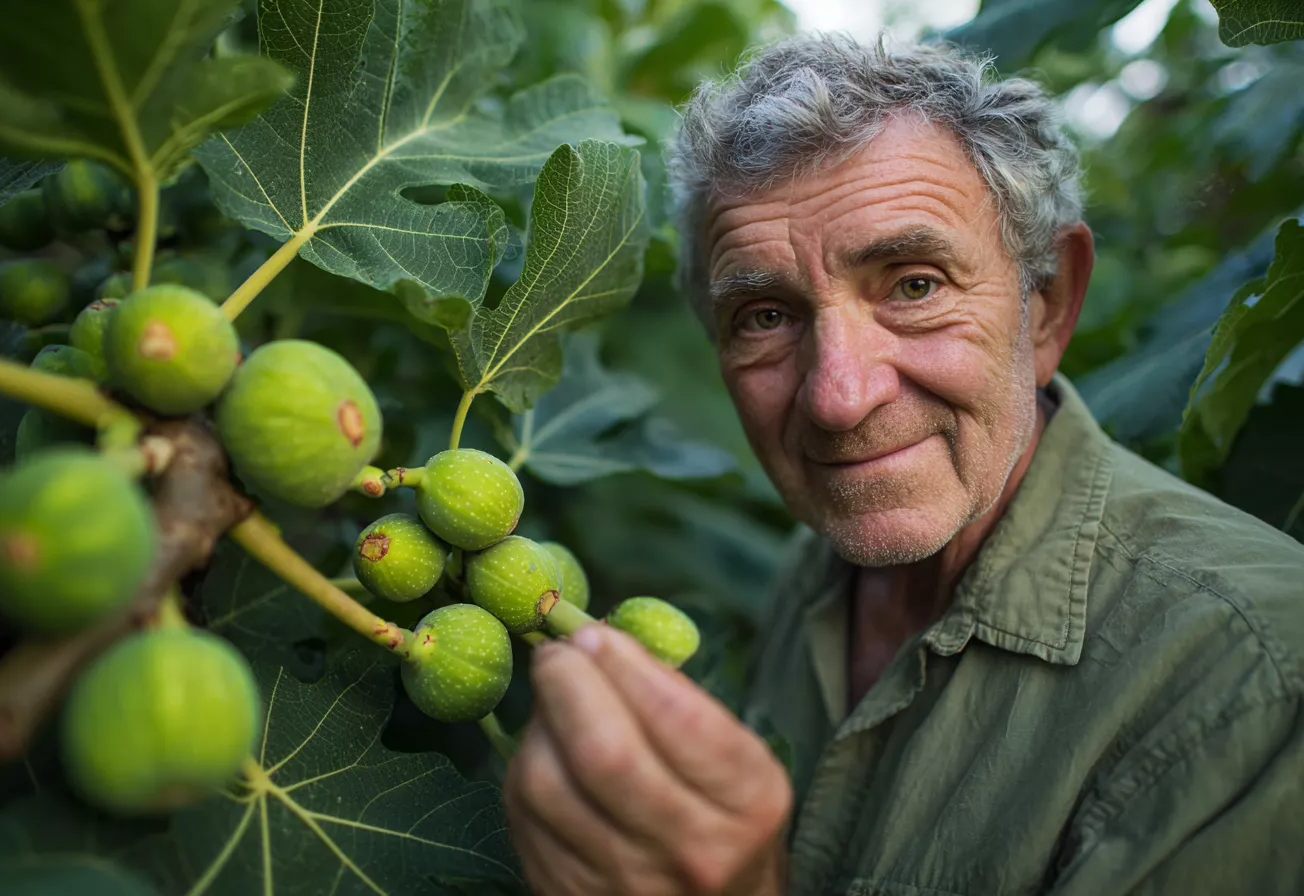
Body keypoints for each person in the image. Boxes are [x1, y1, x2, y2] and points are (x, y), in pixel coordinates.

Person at [502, 33, 1304, 896]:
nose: (839, 398)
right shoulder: (818, 570)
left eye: (913, 285)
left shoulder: (1256, 674)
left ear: (1047, 307)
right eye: (765, 316)